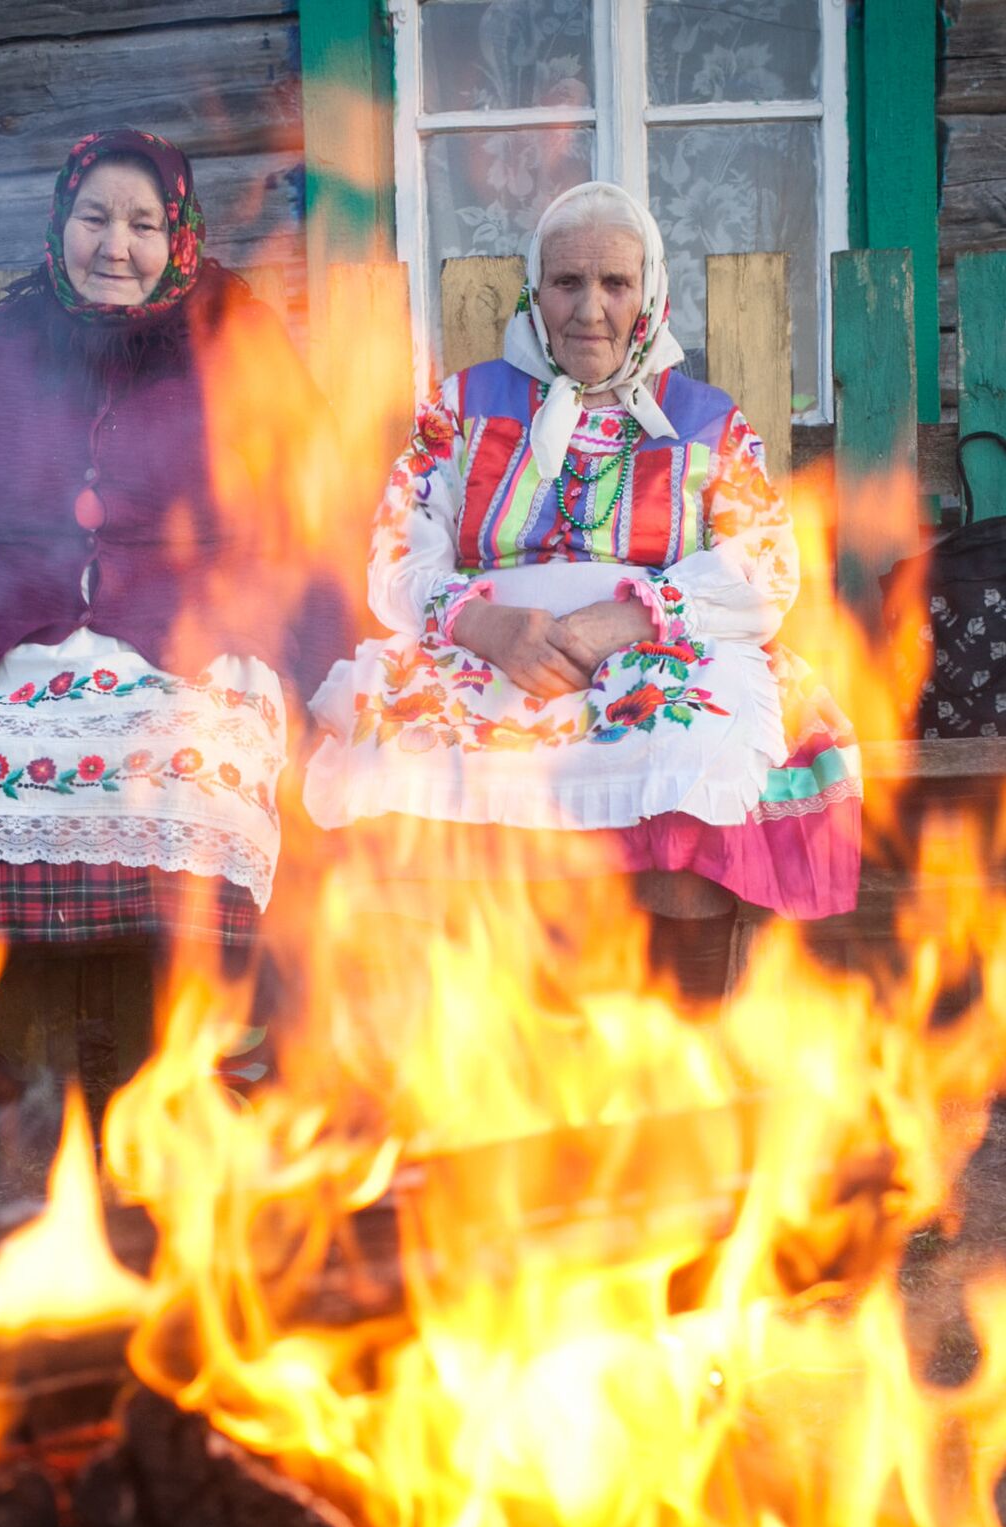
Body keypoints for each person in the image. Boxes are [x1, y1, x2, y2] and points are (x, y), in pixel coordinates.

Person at [0, 128, 341, 1097]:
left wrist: (332, 682)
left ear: (177, 234)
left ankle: (227, 1052)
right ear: (59, 223)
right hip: (0, 646)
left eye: (143, 223)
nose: (116, 245)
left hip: (188, 649)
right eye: (93, 217)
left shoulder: (240, 340)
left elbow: (312, 514)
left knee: (204, 780)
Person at [304, 181, 860, 1001]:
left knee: (692, 753)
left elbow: (768, 565)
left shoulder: (706, 421)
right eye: (568, 283)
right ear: (537, 291)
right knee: (401, 754)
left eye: (615, 284)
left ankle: (677, 1044)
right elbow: (396, 554)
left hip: (656, 645)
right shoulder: (461, 410)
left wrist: (629, 617)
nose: (590, 309)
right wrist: (487, 629)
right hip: (489, 649)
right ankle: (470, 1046)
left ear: (650, 293)